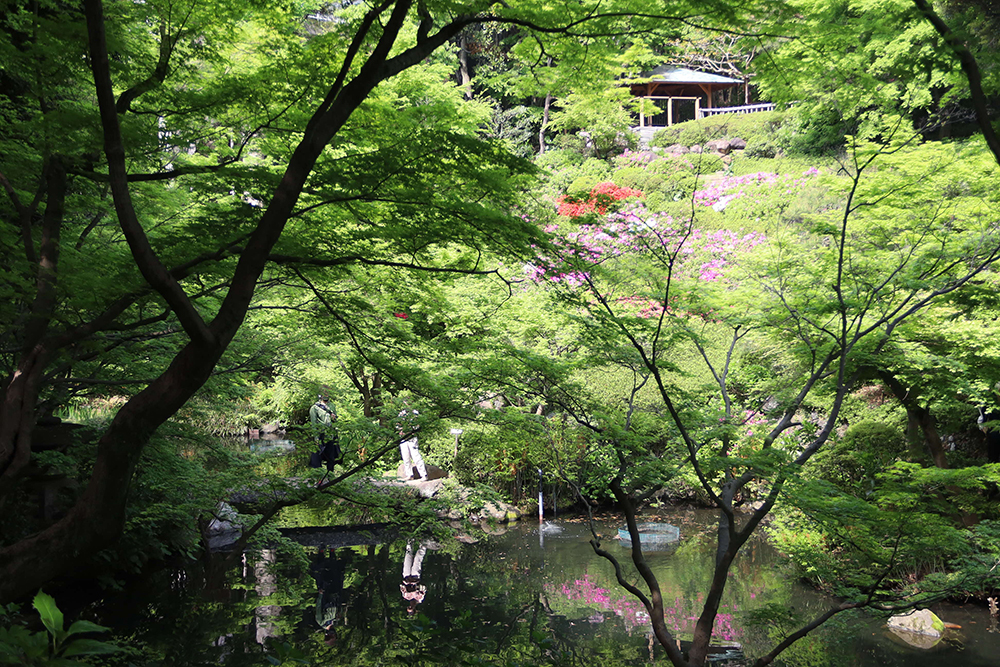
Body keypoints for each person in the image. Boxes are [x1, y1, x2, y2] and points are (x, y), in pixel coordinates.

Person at [309, 395, 341, 471]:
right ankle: (319, 478)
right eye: (324, 394)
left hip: (331, 434)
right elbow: (314, 424)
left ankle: (331, 477)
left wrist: (334, 418)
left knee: (331, 457)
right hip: (320, 434)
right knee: (317, 457)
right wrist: (316, 438)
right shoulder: (314, 408)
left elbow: (335, 421)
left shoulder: (332, 406)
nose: (326, 396)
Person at [397, 403, 427, 481]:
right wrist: (400, 430)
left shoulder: (415, 413)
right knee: (405, 457)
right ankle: (409, 475)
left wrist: (411, 430)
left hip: (412, 438)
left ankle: (423, 475)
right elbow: (398, 424)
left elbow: (417, 425)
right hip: (403, 437)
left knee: (416, 456)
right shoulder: (401, 414)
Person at [400, 541, 427, 615]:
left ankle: (410, 540)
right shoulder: (420, 598)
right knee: (418, 558)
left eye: (409, 608)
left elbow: (402, 586)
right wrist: (416, 584)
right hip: (415, 577)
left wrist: (406, 583)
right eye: (411, 609)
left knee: (408, 556)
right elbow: (423, 587)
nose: (410, 607)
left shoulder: (406, 596)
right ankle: (424, 543)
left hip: (407, 576)